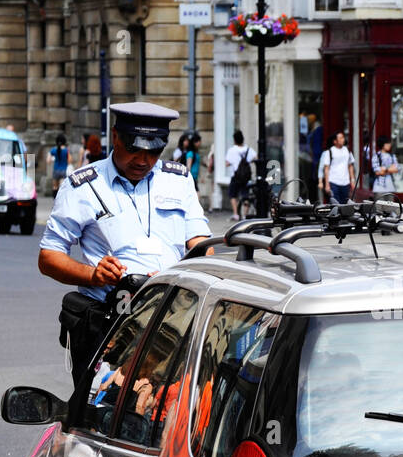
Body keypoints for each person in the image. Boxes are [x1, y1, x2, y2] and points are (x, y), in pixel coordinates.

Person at [38, 101, 211, 384]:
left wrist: (188, 272)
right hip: (112, 325)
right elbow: (48, 257)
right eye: (134, 149)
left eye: (153, 151)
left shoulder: (178, 180)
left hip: (173, 322)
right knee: (102, 413)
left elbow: (201, 246)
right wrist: (93, 274)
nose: (143, 160)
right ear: (116, 137)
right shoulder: (83, 186)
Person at [225, 129, 257, 220]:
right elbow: (256, 158)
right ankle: (245, 215)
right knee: (245, 195)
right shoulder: (248, 149)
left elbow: (227, 163)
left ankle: (236, 214)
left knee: (232, 194)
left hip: (236, 176)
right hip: (246, 177)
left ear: (234, 140)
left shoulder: (232, 150)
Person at [321, 131, 356, 204]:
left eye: (343, 137)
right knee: (335, 204)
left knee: (345, 204)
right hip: (333, 182)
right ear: (335, 141)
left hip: (345, 182)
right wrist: (327, 184)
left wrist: (352, 180)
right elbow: (326, 169)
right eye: (340, 138)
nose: (343, 139)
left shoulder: (347, 150)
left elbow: (350, 166)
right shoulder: (330, 152)